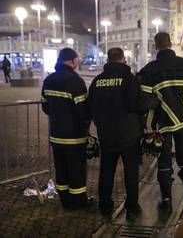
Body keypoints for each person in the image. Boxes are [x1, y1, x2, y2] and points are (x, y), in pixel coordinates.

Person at [88, 48, 159, 220]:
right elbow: (138, 103)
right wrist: (154, 101)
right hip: (129, 135)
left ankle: (105, 205)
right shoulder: (129, 78)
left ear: (108, 59)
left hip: (107, 135)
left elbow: (91, 107)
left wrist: (101, 124)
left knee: (106, 172)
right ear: (122, 59)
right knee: (131, 173)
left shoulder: (97, 81)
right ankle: (132, 208)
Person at [139, 32, 183, 213]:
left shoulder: (148, 70)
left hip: (161, 125)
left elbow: (144, 101)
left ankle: (166, 199)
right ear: (170, 43)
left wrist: (147, 123)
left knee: (164, 160)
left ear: (155, 46)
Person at [41, 48, 93, 210]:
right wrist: (86, 125)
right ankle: (78, 202)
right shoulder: (75, 81)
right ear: (71, 60)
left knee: (61, 168)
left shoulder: (49, 80)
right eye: (77, 59)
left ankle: (65, 201)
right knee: (76, 169)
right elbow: (83, 110)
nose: (78, 62)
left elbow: (45, 106)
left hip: (56, 135)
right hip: (74, 136)